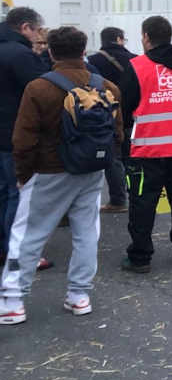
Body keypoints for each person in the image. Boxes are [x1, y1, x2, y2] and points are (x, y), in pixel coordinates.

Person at [0, 27, 123, 323]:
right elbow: (117, 133)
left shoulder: (39, 87)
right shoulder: (107, 86)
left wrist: (23, 173)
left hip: (48, 170)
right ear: (84, 51)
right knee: (86, 233)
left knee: (28, 234)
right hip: (91, 170)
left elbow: (24, 138)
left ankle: (13, 299)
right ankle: (79, 295)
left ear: (51, 52)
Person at [118, 16, 172, 272]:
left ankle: (140, 256)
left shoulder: (137, 66)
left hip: (146, 149)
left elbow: (125, 106)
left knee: (142, 204)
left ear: (145, 37)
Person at [0, 8, 48, 265]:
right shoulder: (20, 55)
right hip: (14, 135)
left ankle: (4, 247)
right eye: (37, 30)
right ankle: (18, 253)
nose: (38, 36)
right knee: (18, 197)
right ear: (25, 27)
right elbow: (39, 93)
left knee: (3, 194)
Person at [87, 27, 137, 214]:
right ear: (119, 39)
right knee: (133, 158)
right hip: (133, 114)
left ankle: (118, 199)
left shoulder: (93, 61)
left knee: (114, 159)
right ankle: (137, 194)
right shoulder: (136, 59)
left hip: (107, 114)